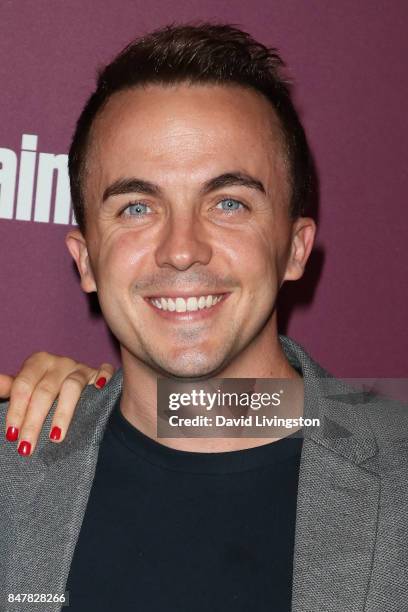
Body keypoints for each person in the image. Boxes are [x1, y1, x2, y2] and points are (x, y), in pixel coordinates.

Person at [1, 22, 407, 612]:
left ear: (294, 248)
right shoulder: (13, 474)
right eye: (138, 206)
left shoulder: (395, 476)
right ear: (86, 260)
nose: (182, 248)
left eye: (228, 203)